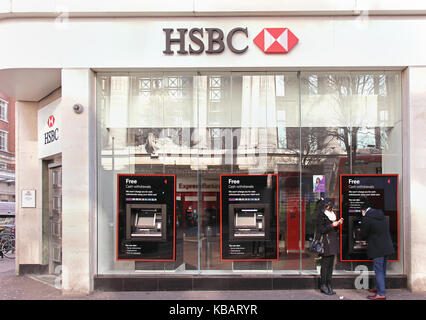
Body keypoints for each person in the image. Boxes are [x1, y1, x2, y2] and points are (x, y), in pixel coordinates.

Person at [360, 197, 394, 300]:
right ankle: (378, 288)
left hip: (377, 248)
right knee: (382, 270)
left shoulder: (367, 217)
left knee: (378, 270)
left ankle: (381, 294)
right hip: (387, 246)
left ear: (363, 210)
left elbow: (363, 234)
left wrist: (363, 239)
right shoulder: (381, 215)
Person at [315, 198, 344, 295]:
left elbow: (332, 229)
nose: (330, 207)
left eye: (330, 206)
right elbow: (322, 229)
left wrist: (338, 223)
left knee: (331, 265)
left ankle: (329, 284)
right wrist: (332, 225)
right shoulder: (321, 215)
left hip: (332, 241)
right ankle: (323, 285)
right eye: (329, 206)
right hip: (326, 242)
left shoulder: (331, 214)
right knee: (325, 265)